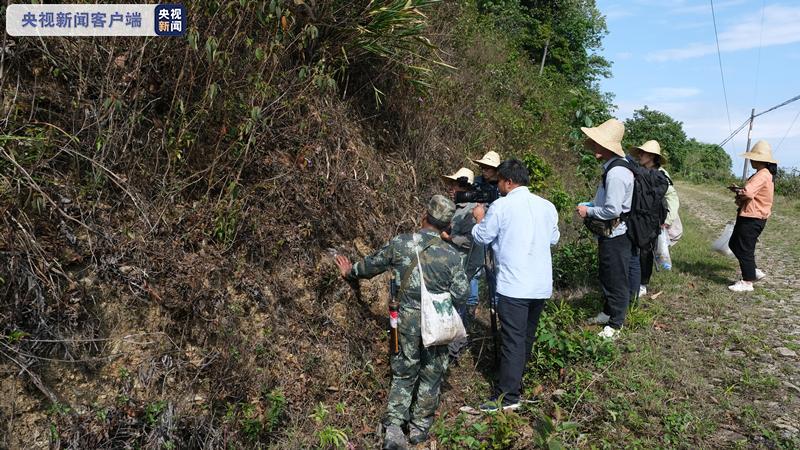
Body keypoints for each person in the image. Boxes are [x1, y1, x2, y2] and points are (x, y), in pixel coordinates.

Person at [333, 195, 469, 448]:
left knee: (405, 370)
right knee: (432, 372)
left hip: (404, 320)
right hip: (436, 322)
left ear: (424, 218)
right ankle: (419, 428)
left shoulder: (401, 243)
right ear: (446, 227)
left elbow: (371, 265)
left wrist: (349, 271)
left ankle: (394, 427)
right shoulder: (451, 256)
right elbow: (462, 293)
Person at [471, 159, 560, 411]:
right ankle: (515, 386)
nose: (497, 185)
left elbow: (483, 237)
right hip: (540, 284)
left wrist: (479, 219)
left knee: (512, 340)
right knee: (525, 338)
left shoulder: (501, 206)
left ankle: (507, 397)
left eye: (499, 180)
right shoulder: (547, 206)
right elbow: (553, 238)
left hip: (514, 285)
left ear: (509, 182)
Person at [577, 118, 634, 340]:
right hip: (613, 233)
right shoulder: (613, 168)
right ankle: (608, 312)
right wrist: (592, 205)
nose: (594, 146)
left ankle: (616, 323)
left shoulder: (617, 173)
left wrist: (588, 212)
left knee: (616, 278)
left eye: (597, 143)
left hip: (617, 234)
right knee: (608, 274)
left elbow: (612, 210)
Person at [440, 168, 484, 360]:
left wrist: (450, 238)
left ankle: (454, 348)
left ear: (465, 188)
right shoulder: (457, 207)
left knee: (459, 303)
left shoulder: (473, 210)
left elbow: (473, 239)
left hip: (466, 265)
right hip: (456, 263)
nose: (451, 189)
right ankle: (457, 341)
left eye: (455, 185)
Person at [629, 140, 681, 296]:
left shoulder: (661, 175)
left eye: (642, 153)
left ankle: (643, 284)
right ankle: (635, 281)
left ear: (651, 156)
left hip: (653, 220)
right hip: (638, 218)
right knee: (637, 250)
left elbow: (672, 197)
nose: (639, 155)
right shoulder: (640, 171)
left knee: (646, 251)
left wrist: (667, 221)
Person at [728, 140, 777, 293]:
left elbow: (748, 192)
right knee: (734, 244)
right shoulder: (764, 174)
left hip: (753, 217)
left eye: (753, 158)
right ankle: (753, 271)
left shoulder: (762, 174)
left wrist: (739, 191)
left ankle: (747, 281)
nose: (750, 161)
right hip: (753, 215)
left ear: (760, 160)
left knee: (744, 248)